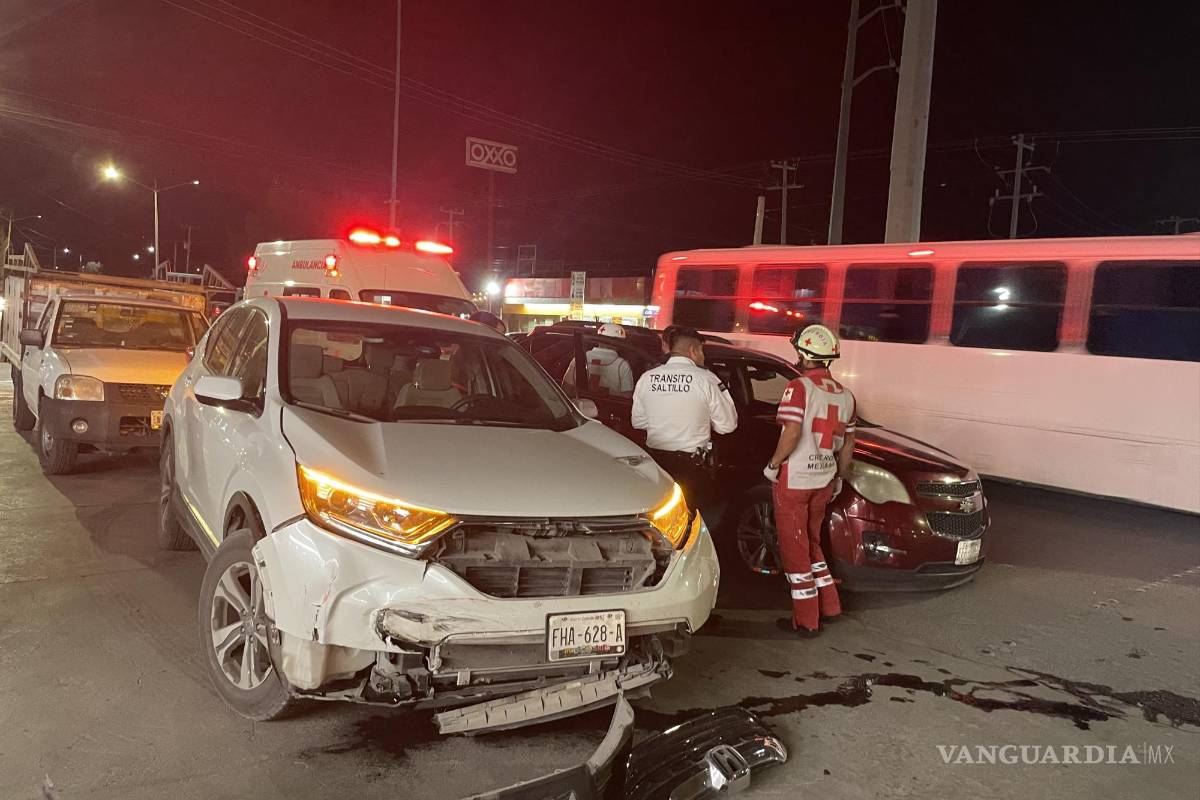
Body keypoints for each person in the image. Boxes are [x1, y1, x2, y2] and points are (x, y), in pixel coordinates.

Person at [763, 323, 856, 637]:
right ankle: (830, 606)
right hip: (824, 479)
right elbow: (849, 446)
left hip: (796, 478)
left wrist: (774, 464)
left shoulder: (799, 387)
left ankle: (806, 620)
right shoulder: (846, 396)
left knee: (794, 547)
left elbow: (791, 433)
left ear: (804, 353)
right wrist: (840, 477)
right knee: (813, 542)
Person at [632, 326, 737, 510]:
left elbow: (638, 422)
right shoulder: (706, 379)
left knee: (661, 514)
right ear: (693, 350)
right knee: (692, 517)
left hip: (656, 463)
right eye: (701, 350)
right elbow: (728, 425)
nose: (703, 356)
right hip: (692, 467)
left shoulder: (647, 378)